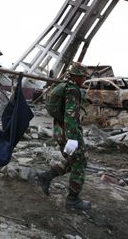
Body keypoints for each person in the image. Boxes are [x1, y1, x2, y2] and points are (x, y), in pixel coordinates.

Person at [37, 63, 91, 211]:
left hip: (61, 131)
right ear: (76, 76)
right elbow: (70, 116)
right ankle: (73, 200)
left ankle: (46, 177)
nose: (84, 80)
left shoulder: (65, 86)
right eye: (83, 77)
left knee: (74, 160)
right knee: (80, 162)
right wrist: (73, 139)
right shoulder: (72, 90)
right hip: (68, 132)